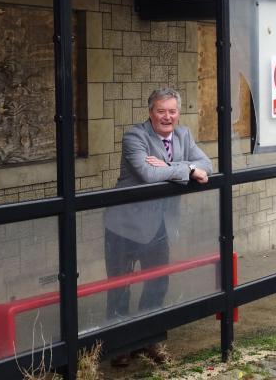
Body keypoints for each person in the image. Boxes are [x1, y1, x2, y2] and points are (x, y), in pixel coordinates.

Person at [104, 88, 212, 367]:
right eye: (161, 111)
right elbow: (148, 174)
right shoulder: (134, 136)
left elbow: (207, 165)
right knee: (120, 286)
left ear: (178, 113)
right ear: (150, 112)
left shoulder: (183, 135)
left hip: (160, 225)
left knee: (157, 284)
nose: (167, 117)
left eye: (172, 111)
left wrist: (172, 165)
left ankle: (146, 339)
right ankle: (120, 346)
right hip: (124, 226)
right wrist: (186, 170)